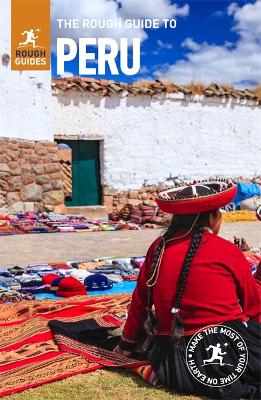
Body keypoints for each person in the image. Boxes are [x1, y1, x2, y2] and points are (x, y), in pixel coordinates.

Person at [114, 179, 261, 399]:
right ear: (212, 218)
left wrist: (126, 345)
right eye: (219, 213)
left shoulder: (158, 248)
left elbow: (140, 301)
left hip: (174, 363)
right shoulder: (226, 250)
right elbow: (254, 305)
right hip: (228, 351)